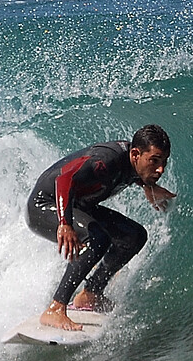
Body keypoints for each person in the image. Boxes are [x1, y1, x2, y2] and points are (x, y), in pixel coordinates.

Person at [25, 124, 176, 331]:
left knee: (134, 236)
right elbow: (64, 178)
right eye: (154, 161)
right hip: (44, 207)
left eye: (164, 162)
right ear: (135, 154)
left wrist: (148, 186)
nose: (160, 169)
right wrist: (65, 223)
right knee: (97, 238)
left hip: (79, 206)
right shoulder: (104, 160)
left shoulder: (132, 162)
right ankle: (55, 308)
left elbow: (129, 171)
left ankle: (91, 294)